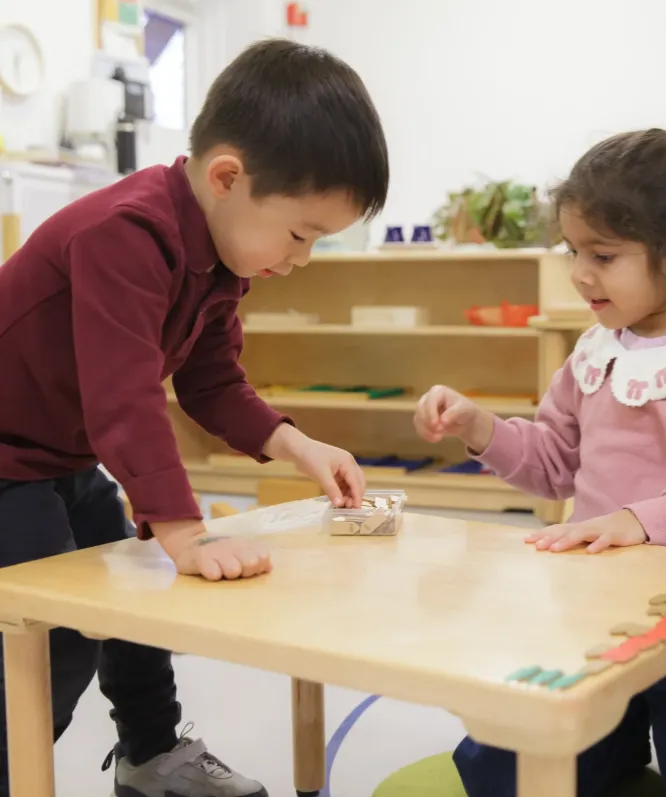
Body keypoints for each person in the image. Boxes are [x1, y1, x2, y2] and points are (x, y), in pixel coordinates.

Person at [0, 39, 388, 797]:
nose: (302, 257)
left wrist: (299, 445)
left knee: (132, 612)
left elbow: (213, 384)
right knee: (55, 637)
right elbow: (124, 397)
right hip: (5, 461)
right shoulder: (125, 232)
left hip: (61, 456)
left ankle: (152, 759)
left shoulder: (216, 257)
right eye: (301, 232)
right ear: (226, 177)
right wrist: (182, 530)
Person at [414, 128, 666, 797]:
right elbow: (552, 464)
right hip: (593, 620)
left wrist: (643, 518)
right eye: (573, 250)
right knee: (495, 767)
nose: (578, 272)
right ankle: (615, 749)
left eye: (602, 254)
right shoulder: (597, 349)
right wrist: (480, 427)